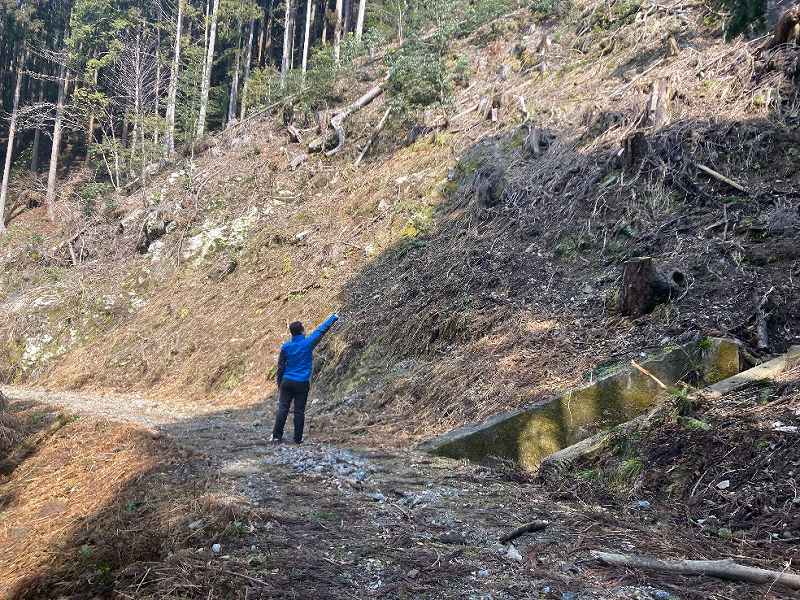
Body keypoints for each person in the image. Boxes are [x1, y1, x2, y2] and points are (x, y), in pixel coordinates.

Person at [271, 313, 339, 445]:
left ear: (291, 333)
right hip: (302, 383)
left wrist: (279, 383)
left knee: (283, 408)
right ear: (302, 331)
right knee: (299, 411)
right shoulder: (307, 343)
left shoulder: (286, 347)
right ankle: (297, 439)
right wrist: (334, 317)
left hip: (287, 381)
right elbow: (321, 330)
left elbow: (280, 367)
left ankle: (276, 436)